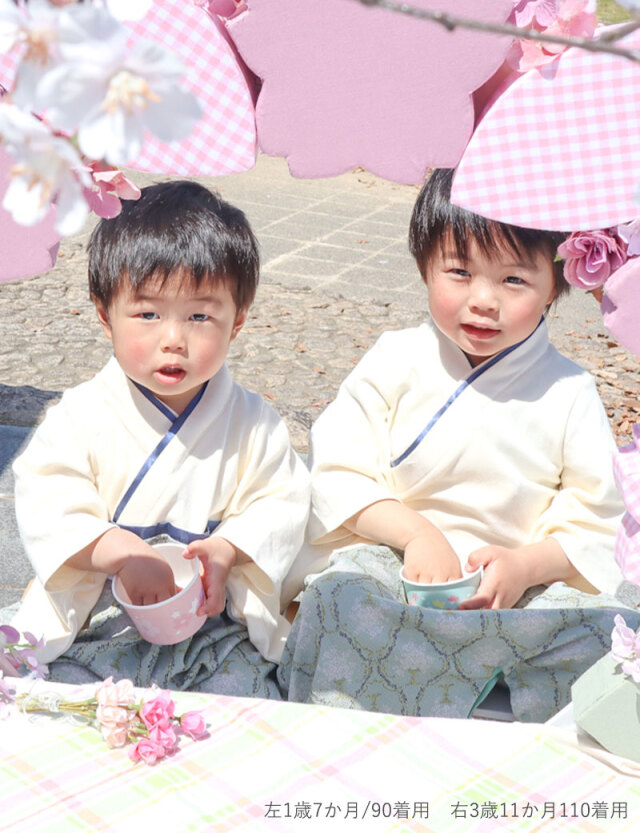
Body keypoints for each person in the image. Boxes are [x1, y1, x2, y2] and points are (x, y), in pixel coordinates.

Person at [278, 168, 640, 721]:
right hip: (394, 567)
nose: (483, 302)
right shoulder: (396, 358)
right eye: (459, 272)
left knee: (607, 632)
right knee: (338, 599)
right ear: (425, 266)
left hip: (516, 594)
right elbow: (336, 470)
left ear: (556, 283)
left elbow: (597, 517)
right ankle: (353, 719)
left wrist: (525, 566)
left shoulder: (568, 390)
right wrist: (416, 535)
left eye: (514, 281)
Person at [10, 180, 310, 698]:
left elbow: (281, 503)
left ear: (236, 321)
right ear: (105, 314)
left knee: (242, 695)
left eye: (200, 315)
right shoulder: (80, 416)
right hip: (98, 616)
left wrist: (225, 549)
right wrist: (115, 550)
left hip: (210, 620)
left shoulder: (253, 422)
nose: (174, 338)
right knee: (59, 697)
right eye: (147, 314)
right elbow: (47, 497)